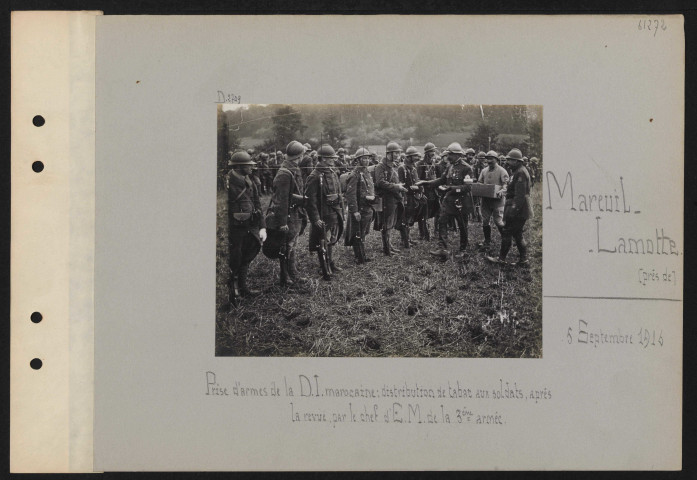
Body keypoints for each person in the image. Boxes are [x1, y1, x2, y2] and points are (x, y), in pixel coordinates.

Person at [416, 142, 474, 259]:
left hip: (461, 202)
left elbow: (467, 187)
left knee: (462, 225)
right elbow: (442, 180)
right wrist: (426, 183)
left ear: (457, 155)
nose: (447, 157)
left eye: (450, 155)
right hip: (449, 201)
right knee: (442, 221)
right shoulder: (449, 166)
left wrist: (451, 188)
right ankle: (443, 248)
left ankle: (463, 249)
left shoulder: (466, 168)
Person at [226, 151, 267, 305]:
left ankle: (243, 287)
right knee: (235, 258)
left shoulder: (249, 181)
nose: (251, 168)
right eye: (248, 165)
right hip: (236, 228)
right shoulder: (227, 183)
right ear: (239, 166)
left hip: (251, 225)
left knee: (248, 254)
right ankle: (233, 290)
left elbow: (257, 204)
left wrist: (262, 226)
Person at [265, 141, 308, 285]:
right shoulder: (285, 173)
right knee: (286, 246)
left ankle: (292, 272)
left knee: (292, 245)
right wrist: (282, 222)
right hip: (288, 216)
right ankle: (286, 276)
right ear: (300, 156)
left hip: (295, 214)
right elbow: (281, 201)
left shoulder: (292, 169)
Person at [487, 148, 532, 266]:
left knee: (507, 232)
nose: (507, 162)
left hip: (517, 209)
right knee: (517, 234)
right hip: (519, 208)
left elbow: (520, 196)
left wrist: (512, 211)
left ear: (517, 161)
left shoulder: (520, 173)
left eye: (510, 160)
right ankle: (523, 260)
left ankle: (501, 259)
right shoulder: (518, 171)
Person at [305, 144, 345, 279]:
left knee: (331, 240)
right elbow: (310, 201)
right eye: (330, 158)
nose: (333, 160)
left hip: (334, 212)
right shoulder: (314, 176)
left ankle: (330, 262)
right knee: (322, 242)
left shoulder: (332, 172)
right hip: (323, 215)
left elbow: (338, 191)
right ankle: (324, 267)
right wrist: (315, 218)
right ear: (322, 159)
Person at [374, 141, 408, 255]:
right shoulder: (381, 166)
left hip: (394, 198)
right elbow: (380, 183)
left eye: (399, 153)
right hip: (386, 200)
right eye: (396, 153)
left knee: (391, 224)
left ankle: (389, 245)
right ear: (389, 153)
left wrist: (399, 187)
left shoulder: (392, 165)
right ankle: (386, 249)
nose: (398, 156)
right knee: (386, 224)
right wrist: (396, 186)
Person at [344, 147, 376, 263]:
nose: (366, 161)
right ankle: (359, 257)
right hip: (360, 209)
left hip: (368, 208)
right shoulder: (355, 174)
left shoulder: (366, 172)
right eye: (364, 159)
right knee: (358, 233)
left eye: (367, 158)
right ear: (357, 160)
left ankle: (362, 255)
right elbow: (350, 195)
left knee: (363, 233)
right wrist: (355, 211)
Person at [477, 150, 509, 251]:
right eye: (488, 159)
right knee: (485, 220)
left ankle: (506, 240)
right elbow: (479, 182)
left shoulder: (502, 171)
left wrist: (502, 191)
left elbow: (506, 185)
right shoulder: (484, 171)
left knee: (498, 221)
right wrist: (480, 188)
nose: (489, 161)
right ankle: (487, 241)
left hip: (497, 201)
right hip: (486, 200)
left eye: (491, 159)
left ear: (496, 159)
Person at [398, 146, 426, 248]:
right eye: (414, 156)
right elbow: (401, 184)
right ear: (409, 157)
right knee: (405, 219)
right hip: (406, 197)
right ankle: (404, 240)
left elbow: (417, 181)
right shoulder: (402, 168)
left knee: (410, 218)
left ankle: (408, 238)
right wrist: (407, 194)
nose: (416, 158)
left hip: (413, 196)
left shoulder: (413, 168)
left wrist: (420, 189)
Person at [415, 142, 439, 240]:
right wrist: (421, 191)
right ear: (427, 153)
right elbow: (417, 180)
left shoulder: (433, 163)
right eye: (431, 151)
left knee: (433, 212)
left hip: (433, 191)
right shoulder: (420, 164)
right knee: (423, 214)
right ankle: (423, 234)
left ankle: (431, 231)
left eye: (434, 151)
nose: (433, 153)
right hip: (425, 191)